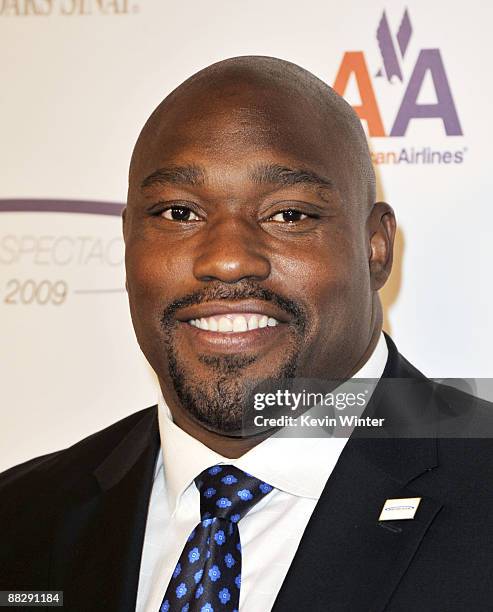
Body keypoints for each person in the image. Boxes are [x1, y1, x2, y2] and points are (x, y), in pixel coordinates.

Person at [1, 56, 492, 612]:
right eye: (178, 213)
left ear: (375, 249)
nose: (228, 260)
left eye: (288, 215)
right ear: (128, 244)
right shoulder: (21, 517)